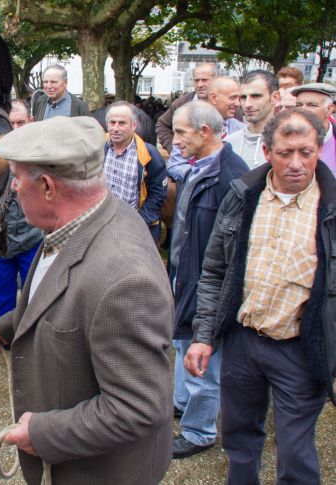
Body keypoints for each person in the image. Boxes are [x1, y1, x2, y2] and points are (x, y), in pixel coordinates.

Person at [0, 116, 173, 485]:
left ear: (48, 187)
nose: (13, 188)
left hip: (97, 474)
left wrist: (43, 434)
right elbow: (58, 298)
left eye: (16, 178)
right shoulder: (85, 218)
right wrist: (4, 326)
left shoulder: (124, 280)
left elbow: (138, 407)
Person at [185, 109, 335, 483]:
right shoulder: (243, 196)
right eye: (285, 153)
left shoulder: (331, 208)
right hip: (243, 342)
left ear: (319, 149)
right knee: (238, 438)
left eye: (306, 151)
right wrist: (203, 336)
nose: (296, 163)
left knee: (296, 452)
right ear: (267, 152)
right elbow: (214, 271)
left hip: (301, 350)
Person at [167, 101, 249, 459]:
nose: (175, 140)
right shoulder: (198, 167)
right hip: (186, 278)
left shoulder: (232, 178)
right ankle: (182, 405)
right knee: (184, 345)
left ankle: (199, 431)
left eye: (181, 132)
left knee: (203, 358)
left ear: (204, 132)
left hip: (207, 286)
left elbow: (231, 255)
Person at [0, 99, 43, 358]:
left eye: (20, 123)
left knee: (36, 293)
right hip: (0, 243)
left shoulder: (42, 156)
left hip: (33, 238)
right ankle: (1, 337)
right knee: (0, 296)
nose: (15, 128)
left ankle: (35, 339)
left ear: (31, 123)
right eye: (10, 123)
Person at [103, 101, 167, 242]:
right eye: (112, 123)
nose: (115, 128)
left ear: (134, 125)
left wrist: (139, 220)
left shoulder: (150, 154)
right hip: (104, 225)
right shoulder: (99, 148)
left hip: (136, 227)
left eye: (122, 123)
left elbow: (158, 194)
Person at [168, 77, 245, 181]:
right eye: (232, 98)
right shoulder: (190, 123)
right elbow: (175, 166)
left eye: (239, 98)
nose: (237, 103)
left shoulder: (241, 129)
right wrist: (202, 175)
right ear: (213, 97)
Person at [156, 63, 218, 152]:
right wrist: (173, 149)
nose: (199, 85)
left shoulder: (227, 104)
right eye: (196, 80)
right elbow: (162, 124)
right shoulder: (181, 103)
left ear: (216, 80)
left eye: (204, 80)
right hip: (185, 162)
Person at [225, 70, 280, 169]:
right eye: (243, 97)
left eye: (256, 96)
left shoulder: (287, 143)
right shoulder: (228, 143)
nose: (247, 104)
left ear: (275, 98)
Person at [292, 82, 336, 173]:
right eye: (299, 105)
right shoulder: (283, 138)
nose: (303, 109)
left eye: (311, 105)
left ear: (329, 109)